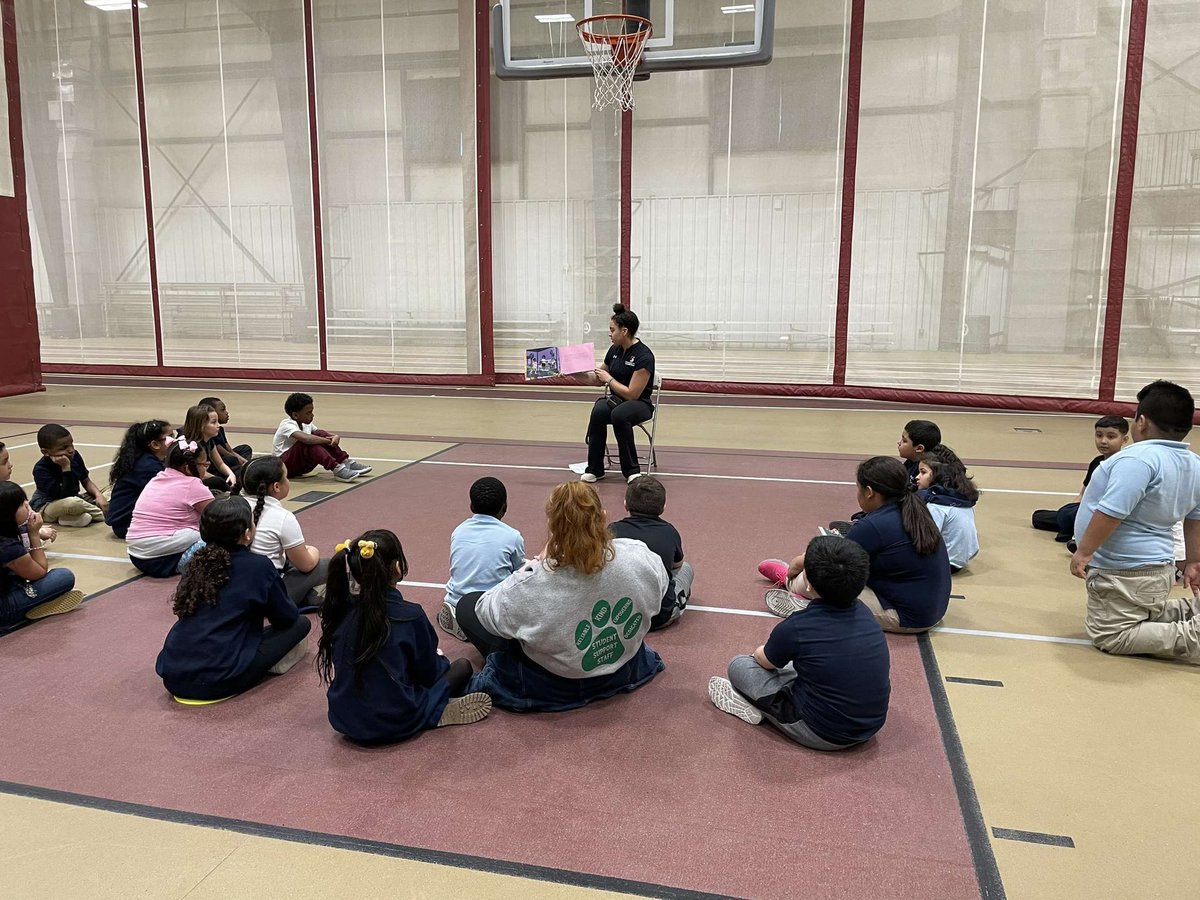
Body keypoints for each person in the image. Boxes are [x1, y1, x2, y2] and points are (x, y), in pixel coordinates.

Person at [456, 481, 667, 712]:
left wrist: (534, 565)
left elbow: (486, 613)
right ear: (603, 517)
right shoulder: (638, 554)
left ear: (552, 527)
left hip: (556, 681)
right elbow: (661, 586)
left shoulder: (533, 581)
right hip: (625, 664)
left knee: (468, 605)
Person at [709, 536, 889, 750]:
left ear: (809, 585)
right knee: (813, 661)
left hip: (822, 733)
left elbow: (764, 661)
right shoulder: (866, 613)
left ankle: (758, 708)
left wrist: (760, 652)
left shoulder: (797, 627)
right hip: (871, 726)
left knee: (739, 665)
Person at [317, 530, 492, 743]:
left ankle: (432, 707)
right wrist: (435, 657)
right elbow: (430, 673)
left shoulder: (339, 610)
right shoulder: (410, 615)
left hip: (343, 719)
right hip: (394, 722)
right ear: (397, 567)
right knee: (462, 667)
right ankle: (433, 711)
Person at [1072, 380, 1200, 664]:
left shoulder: (1138, 460)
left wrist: (1084, 551)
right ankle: (1188, 612)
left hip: (1124, 572)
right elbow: (1195, 517)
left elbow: (1111, 511)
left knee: (1110, 635)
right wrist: (1193, 560)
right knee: (1141, 613)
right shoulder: (1194, 463)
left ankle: (1193, 634)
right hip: (1155, 571)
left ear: (1141, 422)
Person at [762, 457, 950, 634]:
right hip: (933, 608)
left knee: (820, 574)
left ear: (869, 492)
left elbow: (827, 562)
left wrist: (795, 566)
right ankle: (803, 590)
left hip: (907, 617)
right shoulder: (915, 508)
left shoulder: (874, 525)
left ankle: (793, 587)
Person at [155, 498, 311, 701]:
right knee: (301, 623)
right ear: (247, 533)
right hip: (220, 681)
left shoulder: (195, 564)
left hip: (173, 676)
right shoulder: (258, 566)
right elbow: (286, 618)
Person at [438, 477, 525, 641]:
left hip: (457, 598)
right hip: (490, 605)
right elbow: (518, 572)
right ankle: (482, 626)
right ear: (504, 507)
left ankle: (458, 613)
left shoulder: (458, 531)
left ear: (471, 506)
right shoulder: (513, 536)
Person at [239, 456, 328, 612]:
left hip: (233, 588)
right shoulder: (282, 517)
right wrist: (313, 550)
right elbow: (306, 565)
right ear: (276, 487)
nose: (288, 481)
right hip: (266, 596)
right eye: (286, 477)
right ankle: (309, 598)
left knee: (287, 559)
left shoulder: (232, 507)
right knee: (327, 564)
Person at [579, 303, 656, 484]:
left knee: (620, 414)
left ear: (624, 331)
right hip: (616, 400)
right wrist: (572, 373)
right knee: (599, 411)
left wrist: (609, 379)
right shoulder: (614, 350)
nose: (609, 333)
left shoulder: (644, 356)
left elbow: (632, 394)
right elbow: (597, 379)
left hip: (640, 404)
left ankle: (631, 470)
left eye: (612, 330)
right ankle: (595, 469)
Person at [608, 475, 693, 630]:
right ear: (663, 508)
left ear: (626, 505)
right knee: (686, 568)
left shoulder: (611, 530)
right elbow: (677, 564)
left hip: (618, 616)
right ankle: (676, 601)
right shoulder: (669, 532)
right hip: (658, 618)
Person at [1032, 415, 1128, 550]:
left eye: (1111, 437)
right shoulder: (1096, 462)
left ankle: (1076, 537)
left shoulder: (1124, 465)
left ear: (1124, 440)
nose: (1103, 441)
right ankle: (1072, 526)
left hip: (1104, 513)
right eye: (1099, 436)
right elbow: (1083, 495)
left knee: (1072, 517)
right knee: (1039, 517)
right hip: (1086, 510)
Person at [0, 481, 83, 632]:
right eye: (20, 504)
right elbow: (38, 572)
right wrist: (34, 533)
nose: (27, 504)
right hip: (4, 608)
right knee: (63, 577)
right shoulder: (7, 547)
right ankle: (33, 607)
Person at [127, 440, 213, 577]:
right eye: (204, 465)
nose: (205, 470)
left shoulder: (158, 478)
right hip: (164, 558)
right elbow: (220, 516)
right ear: (188, 468)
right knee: (221, 538)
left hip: (137, 556)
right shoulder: (193, 484)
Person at [273, 392, 371, 483]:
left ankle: (345, 462)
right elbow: (307, 439)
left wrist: (334, 437)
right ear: (295, 415)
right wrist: (328, 441)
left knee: (319, 433)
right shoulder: (286, 425)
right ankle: (337, 469)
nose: (312, 415)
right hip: (284, 466)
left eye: (312, 412)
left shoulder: (306, 424)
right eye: (308, 413)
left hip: (301, 466)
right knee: (307, 443)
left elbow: (321, 434)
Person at [915, 445, 979, 572]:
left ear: (936, 476)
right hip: (962, 558)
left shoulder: (936, 505)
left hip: (944, 563)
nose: (917, 476)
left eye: (923, 472)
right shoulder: (961, 499)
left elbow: (927, 539)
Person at [31, 424, 108, 527]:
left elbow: (86, 481)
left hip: (75, 497)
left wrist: (99, 496)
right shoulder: (40, 469)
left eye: (71, 444)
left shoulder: (75, 456)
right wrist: (66, 468)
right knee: (73, 503)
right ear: (46, 452)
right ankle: (108, 514)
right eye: (64, 448)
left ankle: (72, 518)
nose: (71, 450)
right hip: (49, 506)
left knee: (114, 488)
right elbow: (65, 496)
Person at [107, 420, 173, 540]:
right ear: (155, 444)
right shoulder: (148, 466)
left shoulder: (152, 460)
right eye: (170, 437)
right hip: (127, 525)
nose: (174, 440)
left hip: (133, 520)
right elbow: (170, 494)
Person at [0, 443, 56, 544]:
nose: (10, 465)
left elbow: (26, 507)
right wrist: (33, 533)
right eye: (4, 462)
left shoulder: (8, 490)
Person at [180, 404, 237, 493]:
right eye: (214, 422)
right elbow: (199, 473)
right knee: (218, 482)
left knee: (237, 471)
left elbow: (220, 464)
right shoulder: (192, 446)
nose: (218, 425)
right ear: (201, 425)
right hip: (195, 479)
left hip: (207, 472)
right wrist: (220, 480)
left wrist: (231, 474)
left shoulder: (209, 440)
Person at [198, 396, 253, 473]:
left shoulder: (219, 430)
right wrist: (244, 464)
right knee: (231, 459)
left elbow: (230, 451)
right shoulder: (209, 434)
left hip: (223, 460)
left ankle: (241, 469)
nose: (226, 413)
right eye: (222, 410)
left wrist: (246, 463)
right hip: (213, 465)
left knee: (245, 449)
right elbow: (225, 453)